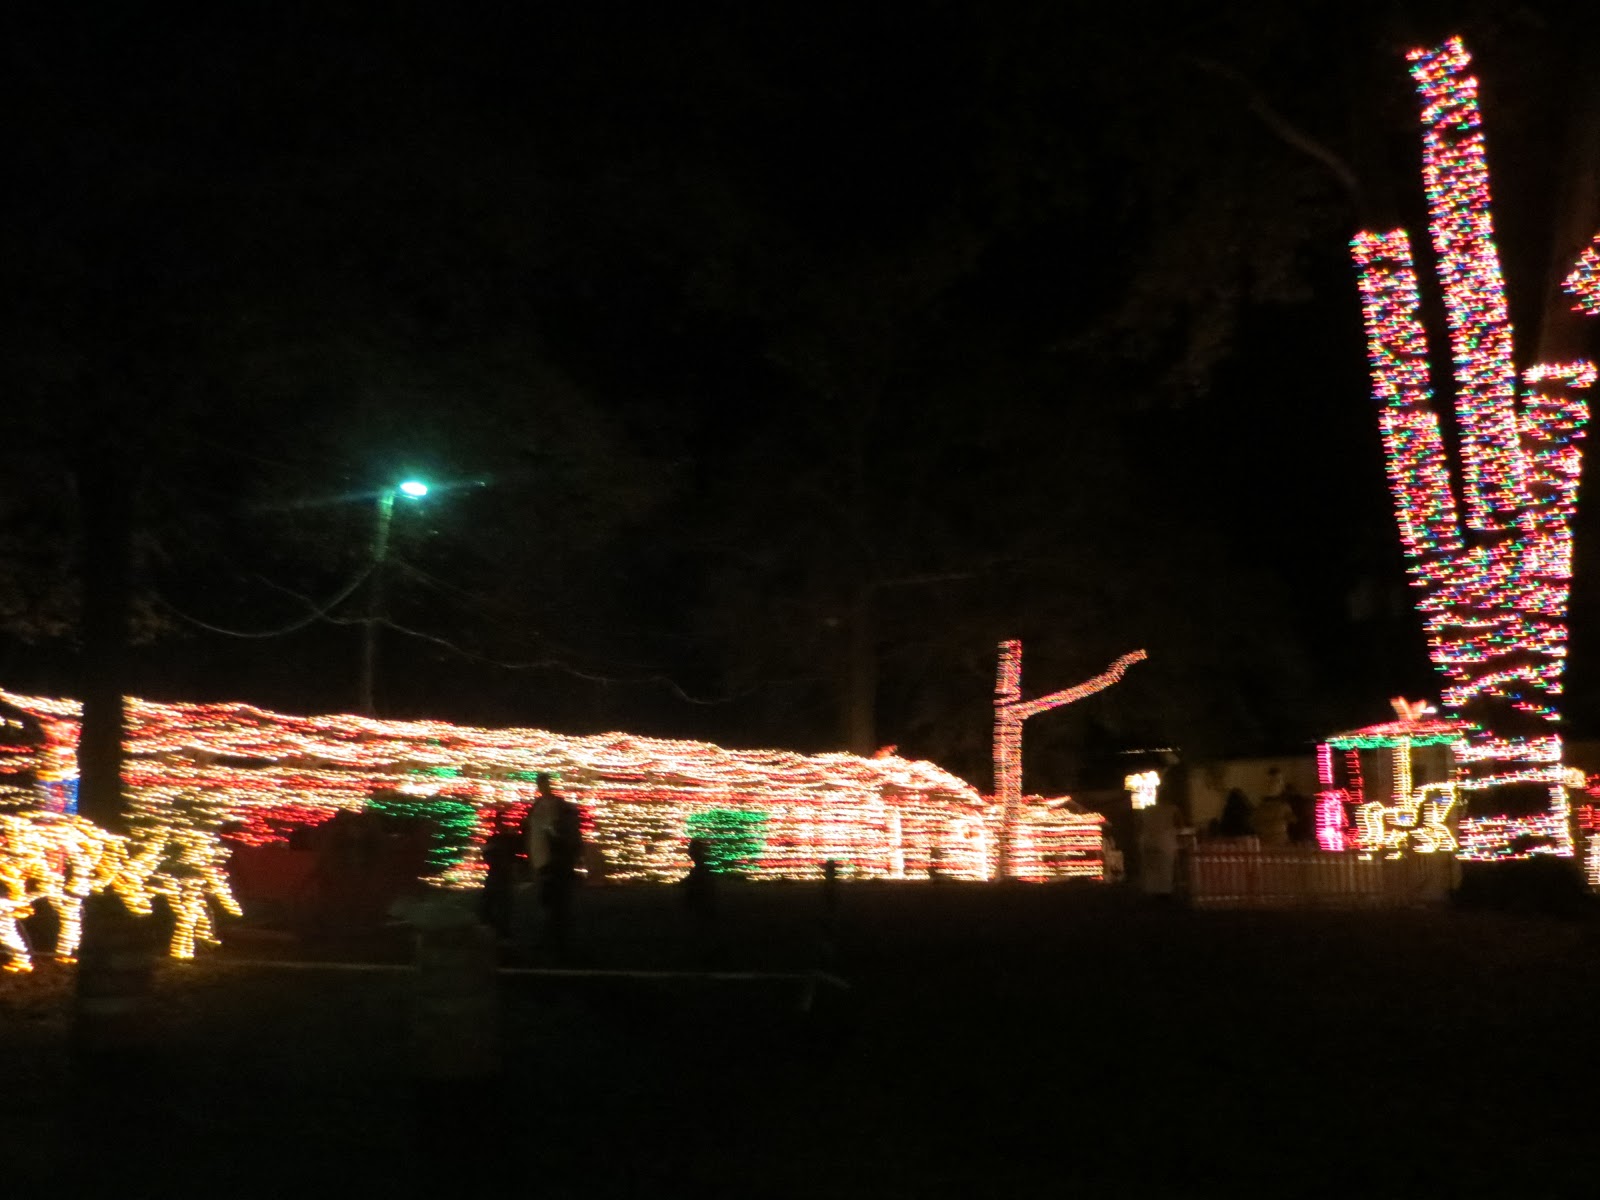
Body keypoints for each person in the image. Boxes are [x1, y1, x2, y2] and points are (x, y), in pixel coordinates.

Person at [479, 809, 520, 940]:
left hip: (498, 874)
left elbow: (487, 855)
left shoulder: (496, 839)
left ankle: (492, 927)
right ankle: (501, 931)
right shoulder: (509, 839)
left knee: (496, 900)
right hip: (502, 874)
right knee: (503, 901)